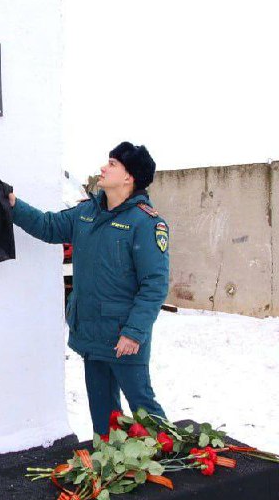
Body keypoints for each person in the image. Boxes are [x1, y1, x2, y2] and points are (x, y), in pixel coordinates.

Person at [9, 142, 169, 437]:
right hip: (90, 333)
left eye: (112, 164)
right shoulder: (86, 213)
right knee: (103, 413)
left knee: (144, 409)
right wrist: (13, 205)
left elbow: (154, 284)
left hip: (123, 337)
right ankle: (109, 457)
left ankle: (172, 458)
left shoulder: (146, 223)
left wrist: (134, 332)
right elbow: (47, 226)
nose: (103, 168)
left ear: (128, 177)